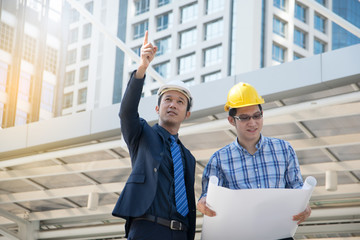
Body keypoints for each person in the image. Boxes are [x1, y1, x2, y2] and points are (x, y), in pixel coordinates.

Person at [197, 82, 311, 240]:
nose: (252, 122)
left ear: (262, 113)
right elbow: (208, 197)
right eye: (244, 118)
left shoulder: (284, 149)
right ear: (231, 120)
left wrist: (304, 205)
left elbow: (297, 188)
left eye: (257, 116)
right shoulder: (219, 159)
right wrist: (203, 202)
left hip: (280, 235)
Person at [112, 31, 196, 240]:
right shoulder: (141, 135)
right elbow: (126, 112)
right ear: (158, 108)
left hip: (180, 234)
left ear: (186, 114)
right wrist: (142, 68)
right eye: (168, 99)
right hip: (147, 230)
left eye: (179, 101)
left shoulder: (188, 157)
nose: (173, 105)